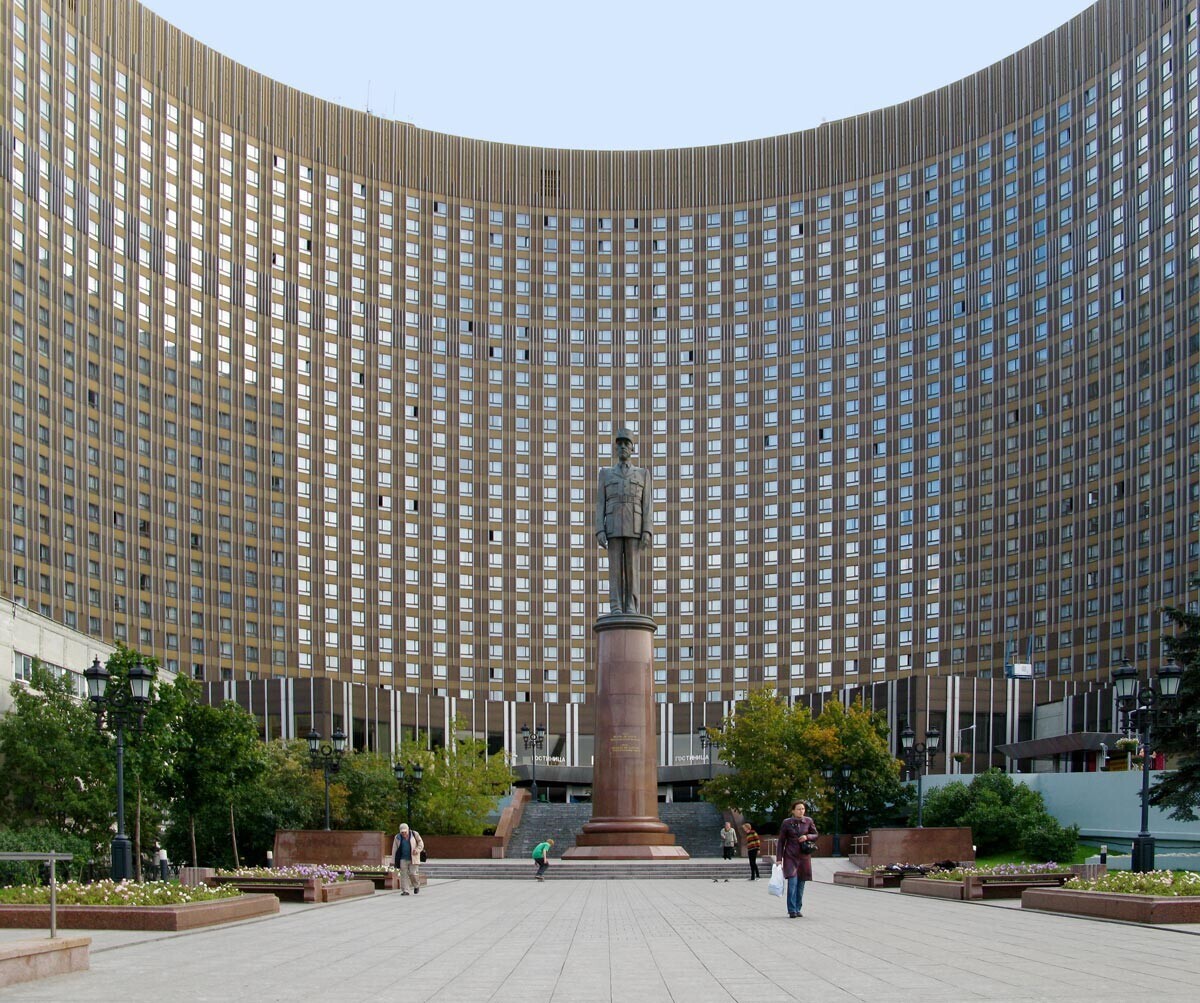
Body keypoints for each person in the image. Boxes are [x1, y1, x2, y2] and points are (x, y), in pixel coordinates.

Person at [595, 427, 652, 614]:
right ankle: (616, 606)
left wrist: (647, 530)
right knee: (615, 571)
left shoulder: (642, 474)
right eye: (619, 444)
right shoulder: (605, 474)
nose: (622, 447)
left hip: (634, 527)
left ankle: (631, 606)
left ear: (632, 448)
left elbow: (647, 505)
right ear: (615, 448)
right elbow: (600, 504)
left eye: (626, 444)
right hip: (612, 527)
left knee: (632, 570)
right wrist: (599, 530)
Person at [776, 800, 818, 918]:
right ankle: (791, 910)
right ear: (793, 810)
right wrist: (779, 858)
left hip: (804, 856)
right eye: (799, 809)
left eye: (803, 809)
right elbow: (781, 841)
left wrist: (807, 836)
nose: (801, 811)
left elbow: (816, 835)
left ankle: (798, 908)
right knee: (792, 883)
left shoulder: (808, 821)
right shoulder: (786, 823)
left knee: (801, 884)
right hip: (790, 856)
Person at [391, 822, 424, 895]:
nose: (404, 834)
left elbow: (421, 843)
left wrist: (417, 850)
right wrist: (393, 861)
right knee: (403, 874)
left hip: (413, 858)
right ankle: (405, 890)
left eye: (405, 832)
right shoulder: (397, 837)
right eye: (402, 832)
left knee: (413, 873)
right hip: (403, 858)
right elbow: (394, 849)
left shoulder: (414, 834)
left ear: (408, 830)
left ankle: (416, 885)